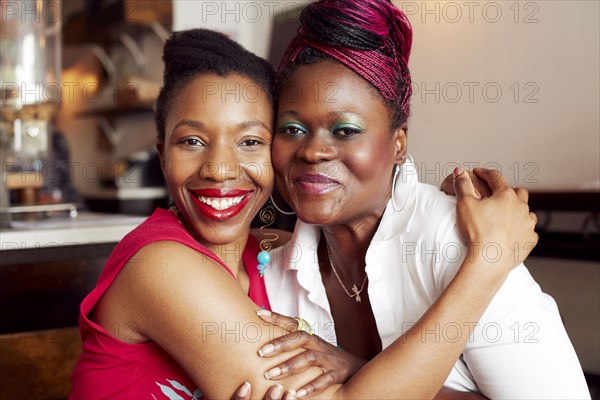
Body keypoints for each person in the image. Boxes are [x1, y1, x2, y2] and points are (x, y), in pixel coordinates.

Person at [70, 29, 537, 399]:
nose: (218, 168)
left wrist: (421, 213)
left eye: (250, 141)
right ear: (161, 152)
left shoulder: (268, 259)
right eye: (191, 141)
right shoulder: (161, 266)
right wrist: (486, 264)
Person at [252, 0, 590, 398]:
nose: (312, 151)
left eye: (344, 130)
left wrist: (358, 373)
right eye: (292, 128)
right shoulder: (276, 272)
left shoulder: (458, 241)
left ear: (399, 143)